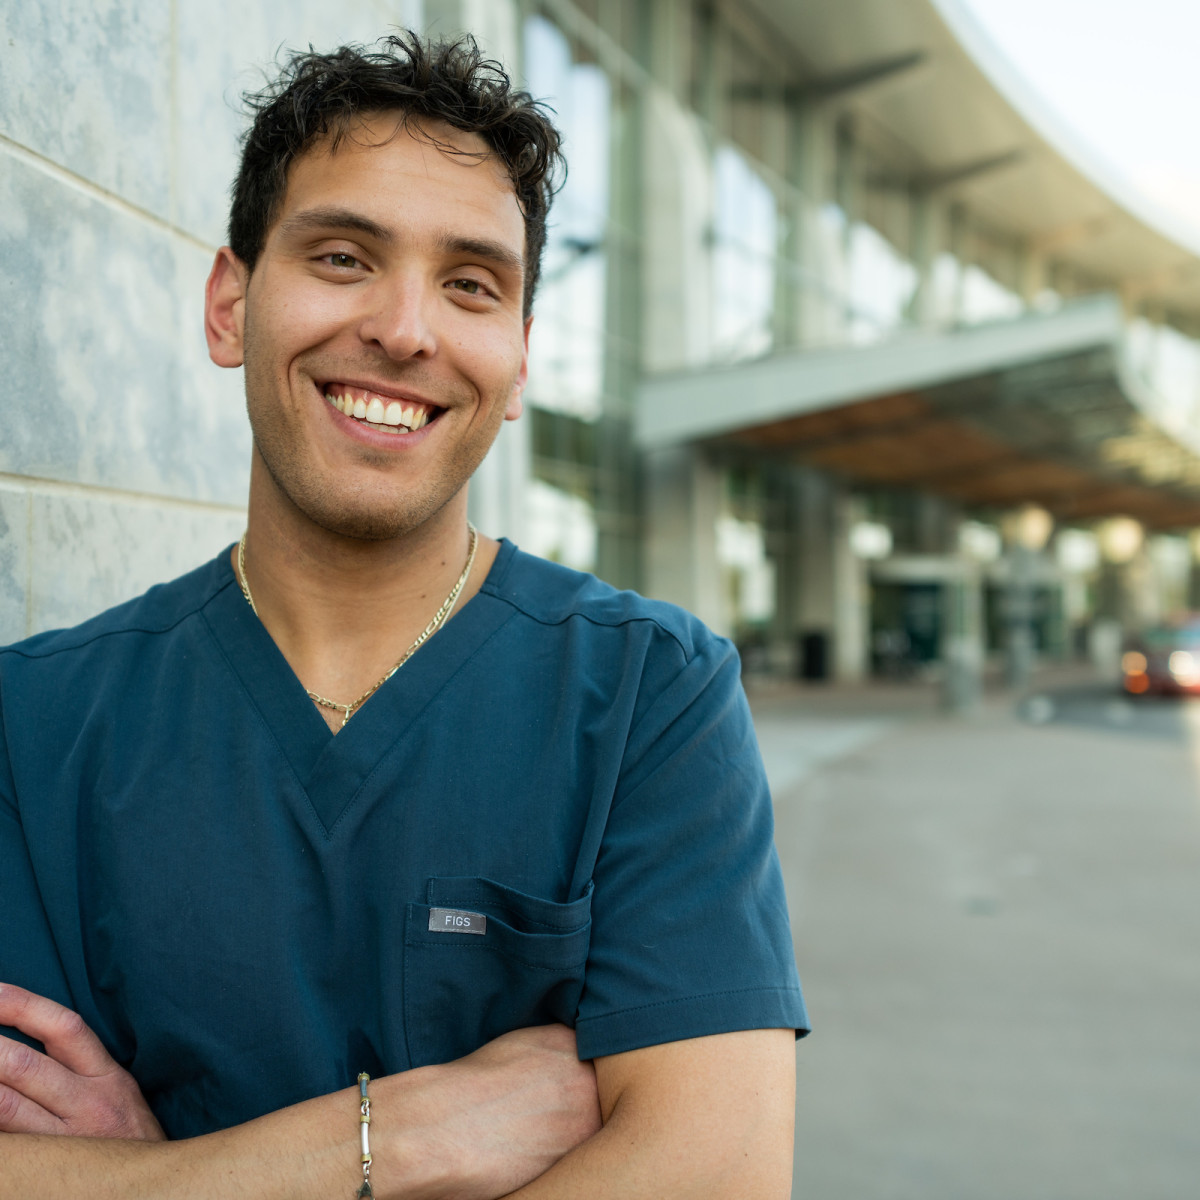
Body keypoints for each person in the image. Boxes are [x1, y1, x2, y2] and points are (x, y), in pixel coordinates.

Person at [0, 32, 807, 1198]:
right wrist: (396, 1143)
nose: (406, 329)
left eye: (472, 283)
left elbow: (716, 1179)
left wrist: (166, 1178)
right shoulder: (36, 722)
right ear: (232, 306)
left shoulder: (647, 696)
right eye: (341, 256)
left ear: (521, 360)